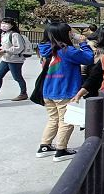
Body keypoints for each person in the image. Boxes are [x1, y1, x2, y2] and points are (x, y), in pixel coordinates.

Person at [36, 23, 94, 161]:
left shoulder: (44, 49)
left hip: (48, 91)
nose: (71, 35)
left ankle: (45, 146)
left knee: (53, 119)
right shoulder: (67, 51)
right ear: (63, 35)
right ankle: (61, 150)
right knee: (66, 122)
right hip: (64, 91)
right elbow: (88, 58)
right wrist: (83, 42)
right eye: (69, 32)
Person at [0, 17, 28, 102]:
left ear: (12, 25)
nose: (3, 25)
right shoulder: (4, 34)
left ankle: (23, 93)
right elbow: (4, 46)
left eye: (6, 23)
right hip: (5, 59)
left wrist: (5, 50)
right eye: (2, 23)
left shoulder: (15, 35)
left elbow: (19, 48)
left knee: (17, 77)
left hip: (15, 60)